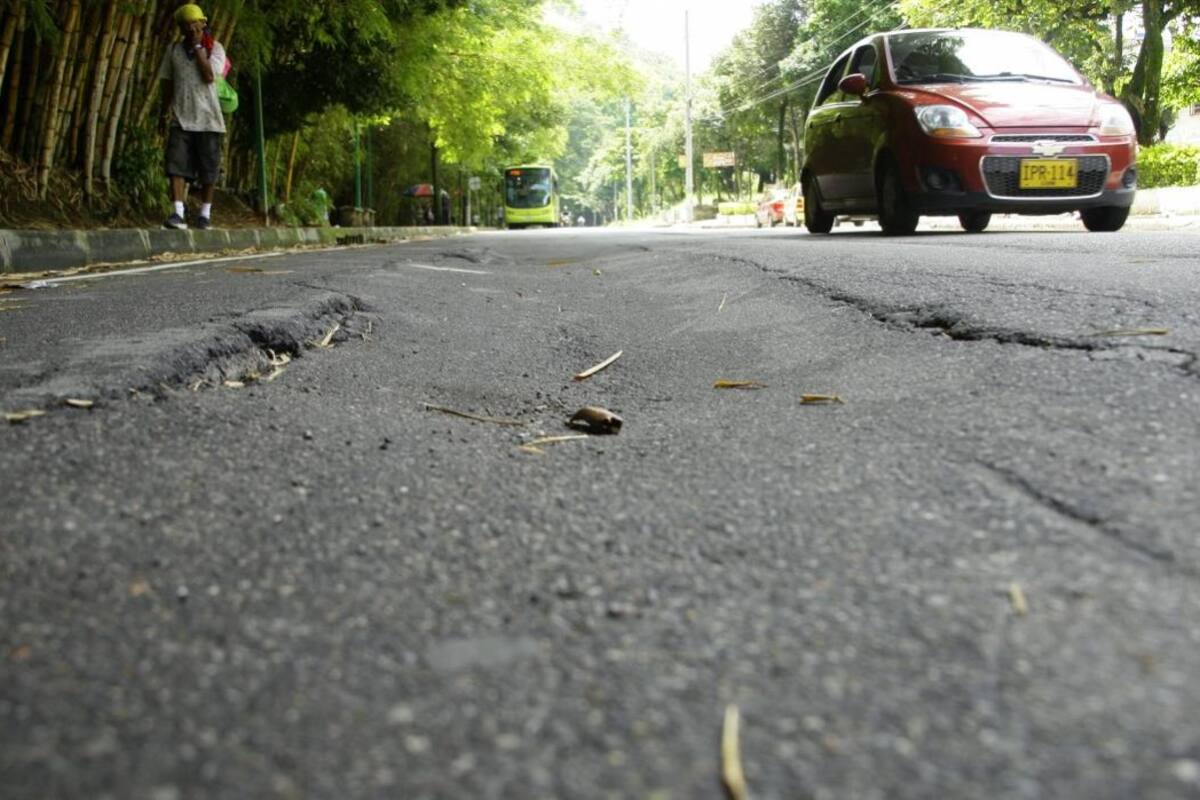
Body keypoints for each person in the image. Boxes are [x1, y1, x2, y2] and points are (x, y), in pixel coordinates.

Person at [158, 4, 226, 230]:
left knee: (209, 170)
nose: (189, 28)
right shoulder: (173, 51)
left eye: (193, 23)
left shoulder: (215, 49)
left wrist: (198, 47)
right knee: (175, 165)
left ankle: (205, 215)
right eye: (184, 25)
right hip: (181, 117)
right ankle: (177, 213)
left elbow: (208, 76)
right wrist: (163, 112)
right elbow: (167, 83)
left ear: (203, 23)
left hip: (209, 119)